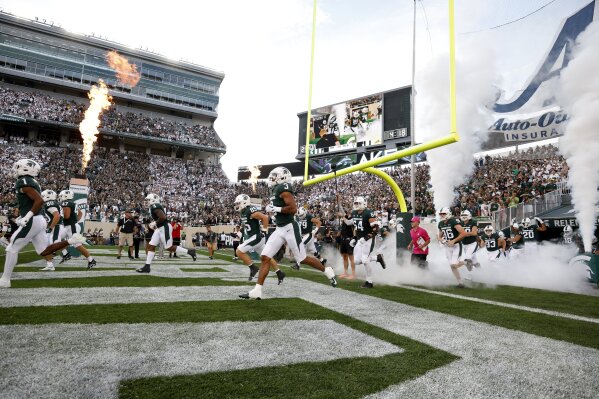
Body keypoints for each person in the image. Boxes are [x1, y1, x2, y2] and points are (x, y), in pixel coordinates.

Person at [239, 166, 336, 299]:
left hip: (290, 228)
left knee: (302, 259)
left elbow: (293, 209)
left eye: (274, 176)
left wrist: (276, 209)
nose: (271, 178)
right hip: (280, 228)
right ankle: (257, 290)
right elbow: (280, 211)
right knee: (265, 257)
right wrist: (274, 215)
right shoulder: (275, 189)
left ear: (283, 177)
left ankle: (327, 270)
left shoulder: (284, 187)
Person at [0, 160, 49, 288]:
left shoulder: (24, 181)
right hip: (38, 219)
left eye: (18, 167)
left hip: (33, 219)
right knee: (43, 251)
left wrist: (26, 217)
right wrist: (23, 215)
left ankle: (5, 280)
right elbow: (31, 202)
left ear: (26, 169)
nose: (16, 169)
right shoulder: (31, 181)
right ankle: (70, 242)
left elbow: (39, 201)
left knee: (12, 248)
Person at [136, 194, 197, 273]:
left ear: (153, 200)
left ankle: (190, 252)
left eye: (148, 200)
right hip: (159, 228)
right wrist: (155, 224)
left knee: (169, 248)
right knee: (151, 246)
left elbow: (163, 217)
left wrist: (154, 223)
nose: (147, 202)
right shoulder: (153, 207)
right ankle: (147, 266)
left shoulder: (155, 206)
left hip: (164, 228)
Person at [234, 194, 284, 284]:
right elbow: (247, 224)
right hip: (255, 237)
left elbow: (264, 217)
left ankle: (253, 268)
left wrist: (264, 231)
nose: (237, 205)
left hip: (257, 237)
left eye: (238, 203)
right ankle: (279, 272)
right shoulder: (243, 212)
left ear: (244, 202)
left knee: (239, 251)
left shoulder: (250, 210)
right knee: (266, 256)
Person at [57, 189, 97, 269]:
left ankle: (91, 259)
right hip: (71, 226)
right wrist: (75, 221)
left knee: (77, 245)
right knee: (56, 238)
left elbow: (67, 216)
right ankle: (66, 254)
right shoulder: (73, 203)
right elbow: (80, 213)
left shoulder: (66, 203)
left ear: (66, 196)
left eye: (61, 196)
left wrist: (60, 217)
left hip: (71, 227)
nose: (61, 198)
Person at [350, 196, 384, 289]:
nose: (356, 205)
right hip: (360, 239)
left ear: (364, 204)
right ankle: (377, 257)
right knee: (356, 261)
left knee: (365, 260)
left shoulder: (368, 213)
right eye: (355, 203)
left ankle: (369, 282)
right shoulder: (354, 213)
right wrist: (354, 237)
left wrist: (366, 237)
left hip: (369, 239)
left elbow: (376, 228)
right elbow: (356, 227)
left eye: (358, 203)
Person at [437, 207, 468, 288]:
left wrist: (454, 240)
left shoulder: (453, 221)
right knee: (452, 266)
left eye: (444, 213)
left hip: (456, 245)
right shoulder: (440, 223)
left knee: (454, 265)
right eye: (441, 214)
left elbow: (464, 233)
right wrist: (441, 240)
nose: (442, 215)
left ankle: (466, 262)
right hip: (448, 247)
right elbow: (439, 236)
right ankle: (460, 283)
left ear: (448, 214)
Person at [39, 189, 64, 271]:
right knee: (46, 245)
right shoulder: (52, 203)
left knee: (52, 244)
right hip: (55, 226)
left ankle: (66, 253)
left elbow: (57, 216)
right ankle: (50, 264)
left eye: (43, 196)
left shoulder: (50, 203)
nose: (42, 197)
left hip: (55, 226)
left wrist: (50, 228)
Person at [459, 210, 481, 277]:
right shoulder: (460, 223)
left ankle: (470, 275)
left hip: (473, 243)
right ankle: (481, 272)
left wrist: (465, 234)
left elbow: (474, 233)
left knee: (467, 259)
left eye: (465, 215)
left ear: (469, 216)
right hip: (465, 244)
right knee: (474, 261)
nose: (463, 217)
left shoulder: (473, 222)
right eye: (462, 215)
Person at [338, 211, 356, 279]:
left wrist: (343, 216)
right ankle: (345, 272)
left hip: (349, 239)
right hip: (343, 239)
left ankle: (353, 274)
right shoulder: (344, 218)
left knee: (351, 257)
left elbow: (350, 224)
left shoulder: (351, 219)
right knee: (344, 256)